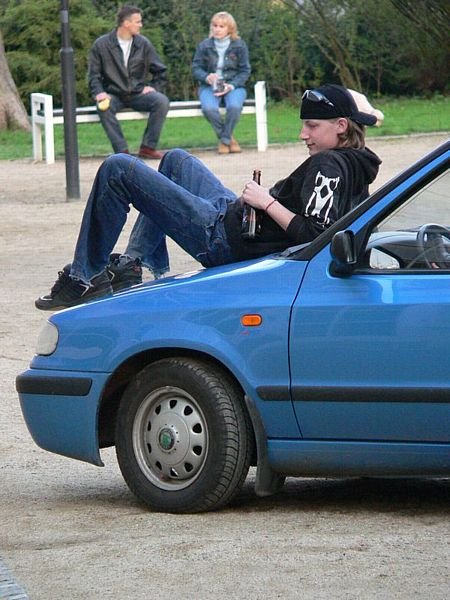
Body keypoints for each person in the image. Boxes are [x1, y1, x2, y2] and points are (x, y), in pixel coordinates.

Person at [35, 84, 382, 311]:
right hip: (233, 219)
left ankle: (84, 278)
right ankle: (133, 264)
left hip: (222, 241)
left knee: (119, 168)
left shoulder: (328, 166)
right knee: (176, 160)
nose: (303, 134)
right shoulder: (355, 161)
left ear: (341, 125)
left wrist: (266, 201)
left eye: (312, 126)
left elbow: (315, 235)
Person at [88, 5, 169, 159]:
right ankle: (122, 152)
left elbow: (160, 70)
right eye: (137, 22)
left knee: (161, 101)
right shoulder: (101, 45)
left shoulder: (143, 44)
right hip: (113, 95)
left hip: (138, 94)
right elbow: (94, 75)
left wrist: (153, 87)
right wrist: (99, 92)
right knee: (103, 107)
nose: (141, 25)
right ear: (126, 23)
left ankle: (148, 148)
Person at [192, 11, 251, 154]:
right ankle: (229, 139)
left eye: (221, 26)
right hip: (209, 86)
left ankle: (224, 140)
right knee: (209, 109)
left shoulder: (240, 46)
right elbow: (195, 68)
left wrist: (231, 85)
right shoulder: (204, 46)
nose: (217, 29)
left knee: (234, 107)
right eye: (215, 26)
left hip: (233, 85)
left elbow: (245, 70)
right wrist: (206, 77)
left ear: (230, 29)